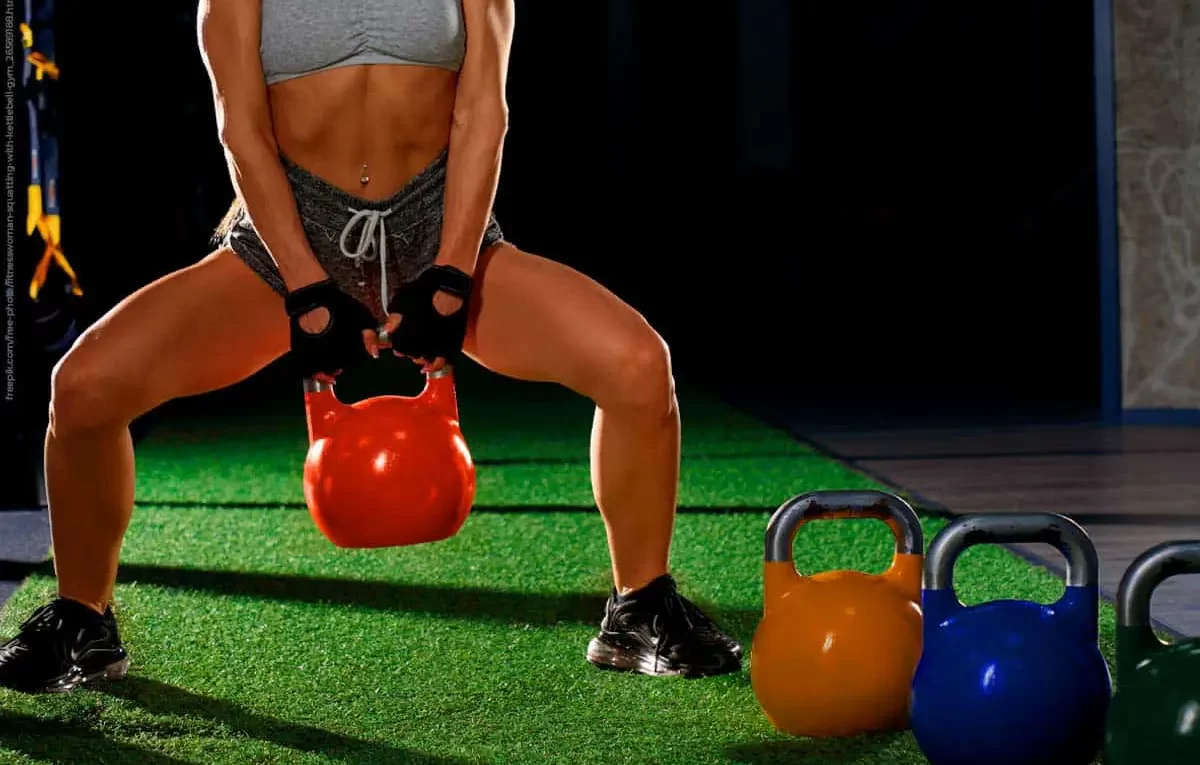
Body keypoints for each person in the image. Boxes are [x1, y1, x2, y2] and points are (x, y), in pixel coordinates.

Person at [0, 0, 742, 694]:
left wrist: (452, 273)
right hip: (292, 231)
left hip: (437, 222)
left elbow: (484, 112)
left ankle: (639, 607)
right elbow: (242, 127)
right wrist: (304, 288)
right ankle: (82, 620)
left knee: (640, 367)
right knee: (84, 389)